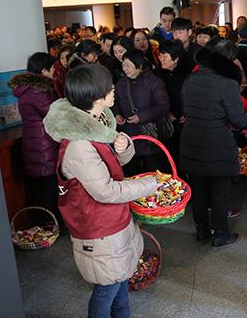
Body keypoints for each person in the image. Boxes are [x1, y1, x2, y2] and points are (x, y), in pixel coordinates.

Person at [43, 63, 160, 318]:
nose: (114, 89)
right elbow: (106, 191)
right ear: (96, 96)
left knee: (118, 284)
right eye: (109, 86)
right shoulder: (79, 146)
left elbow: (115, 165)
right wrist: (151, 184)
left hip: (111, 222)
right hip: (99, 228)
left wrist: (122, 146)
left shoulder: (98, 123)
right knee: (108, 288)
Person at [179, 39, 247, 247]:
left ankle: (202, 230)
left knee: (200, 188)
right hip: (217, 144)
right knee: (220, 190)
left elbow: (185, 109)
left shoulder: (191, 79)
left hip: (191, 139)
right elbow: (239, 120)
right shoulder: (227, 84)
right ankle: (220, 233)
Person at [9, 53, 60, 220]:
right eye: (53, 68)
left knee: (41, 187)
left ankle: (46, 223)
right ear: (44, 71)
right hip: (44, 145)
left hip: (34, 143)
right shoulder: (39, 92)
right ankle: (50, 224)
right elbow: (54, 115)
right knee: (48, 187)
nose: (55, 72)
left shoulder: (27, 90)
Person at [113, 50, 170, 177]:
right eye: (123, 64)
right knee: (132, 174)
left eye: (128, 65)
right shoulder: (121, 83)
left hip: (149, 136)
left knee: (154, 172)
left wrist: (141, 117)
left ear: (139, 65)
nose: (125, 68)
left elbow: (163, 105)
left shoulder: (154, 82)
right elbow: (113, 102)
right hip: (129, 138)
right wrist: (117, 114)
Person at [156, 41, 187, 165]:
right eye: (160, 55)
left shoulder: (187, 73)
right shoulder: (158, 73)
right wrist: (166, 113)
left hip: (187, 122)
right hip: (167, 122)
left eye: (165, 55)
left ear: (176, 59)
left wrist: (187, 113)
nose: (161, 58)